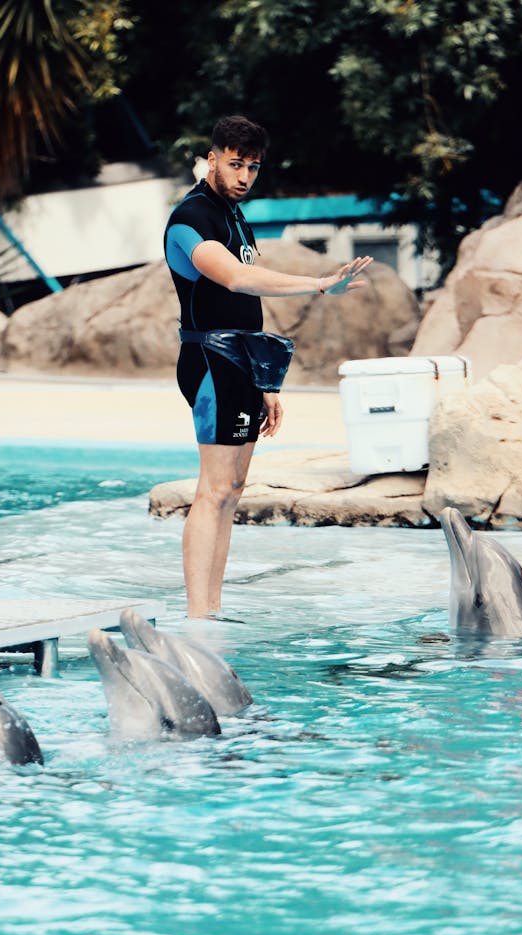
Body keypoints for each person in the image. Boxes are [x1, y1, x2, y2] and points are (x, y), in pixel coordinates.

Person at [164, 114, 372, 619]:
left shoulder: (235, 214)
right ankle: (198, 615)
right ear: (212, 158)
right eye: (235, 164)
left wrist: (265, 381)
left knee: (233, 491)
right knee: (212, 490)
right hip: (211, 360)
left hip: (242, 362)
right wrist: (320, 284)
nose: (243, 177)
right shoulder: (190, 220)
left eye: (253, 168)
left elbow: (246, 306)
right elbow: (236, 279)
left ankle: (212, 608)